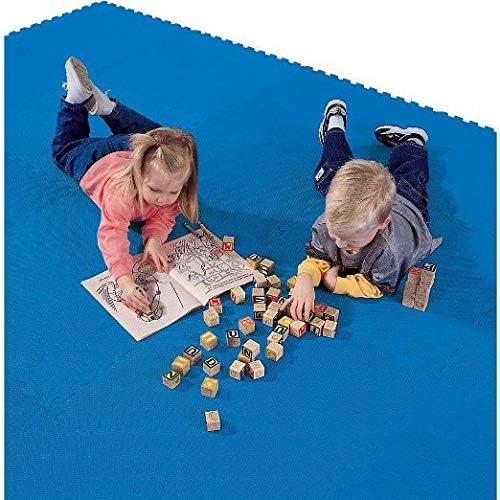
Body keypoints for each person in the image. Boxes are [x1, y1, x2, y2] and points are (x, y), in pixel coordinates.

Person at [52, 57, 198, 314]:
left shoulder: (167, 178)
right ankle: (75, 99)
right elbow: (112, 235)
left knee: (163, 139)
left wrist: (154, 240)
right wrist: (125, 281)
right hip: (92, 160)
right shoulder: (120, 196)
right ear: (138, 174)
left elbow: (164, 215)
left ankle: (108, 108)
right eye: (154, 190)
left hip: (129, 145)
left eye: (173, 191)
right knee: (64, 150)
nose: (163, 199)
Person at [284, 99, 441, 321]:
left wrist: (337, 284)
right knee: (329, 173)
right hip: (361, 199)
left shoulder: (389, 252)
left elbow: (377, 287)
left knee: (411, 173)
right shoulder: (328, 222)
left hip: (408, 203)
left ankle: (412, 141)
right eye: (334, 234)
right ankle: (334, 126)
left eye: (350, 240)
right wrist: (305, 278)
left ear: (382, 224)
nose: (339, 244)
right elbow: (318, 257)